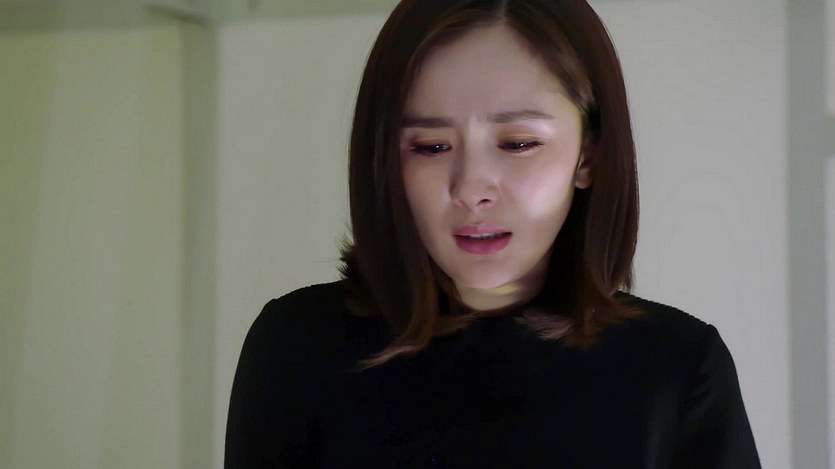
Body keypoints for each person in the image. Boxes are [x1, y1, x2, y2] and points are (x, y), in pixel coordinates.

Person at [225, 0, 761, 467]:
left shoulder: (678, 367)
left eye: (518, 144)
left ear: (588, 157)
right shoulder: (298, 347)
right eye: (431, 147)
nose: (471, 189)